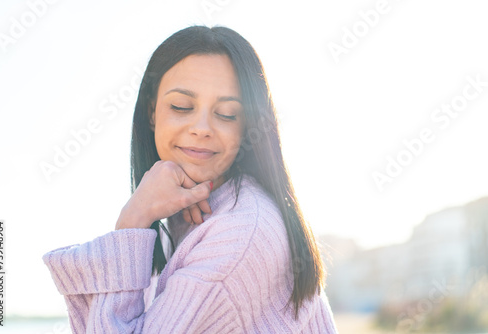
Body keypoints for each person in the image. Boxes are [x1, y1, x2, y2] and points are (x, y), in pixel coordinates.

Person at [43, 25, 339, 333]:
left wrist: (133, 220)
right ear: (152, 111)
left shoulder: (239, 237)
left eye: (226, 113)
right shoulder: (191, 218)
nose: (201, 128)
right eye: (181, 106)